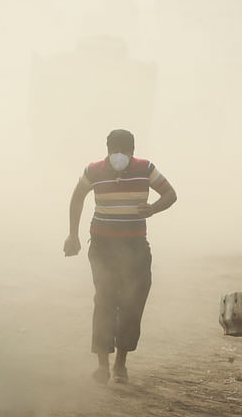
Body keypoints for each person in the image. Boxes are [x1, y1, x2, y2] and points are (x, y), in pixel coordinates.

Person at [64, 129, 177, 384]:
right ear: (107, 151)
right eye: (113, 151)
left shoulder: (146, 169)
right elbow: (77, 198)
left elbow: (171, 194)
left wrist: (153, 208)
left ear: (132, 152)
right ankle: (102, 366)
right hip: (103, 247)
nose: (118, 157)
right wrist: (73, 235)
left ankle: (121, 365)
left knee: (132, 303)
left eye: (123, 152)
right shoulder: (93, 171)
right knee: (104, 300)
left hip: (134, 246)